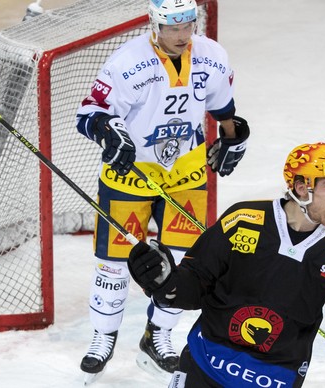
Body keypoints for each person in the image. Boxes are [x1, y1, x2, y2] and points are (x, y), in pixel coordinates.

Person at [128, 142, 325, 387]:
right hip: (205, 367)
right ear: (302, 188)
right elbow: (195, 281)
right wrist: (165, 281)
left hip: (274, 379)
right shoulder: (243, 220)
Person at [75, 0, 249, 380]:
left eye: (188, 25)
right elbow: (88, 114)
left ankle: (158, 337)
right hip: (131, 176)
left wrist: (235, 138)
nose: (182, 36)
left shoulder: (212, 57)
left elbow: (224, 111)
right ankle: (102, 338)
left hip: (185, 173)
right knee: (114, 263)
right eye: (173, 27)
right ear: (154, 24)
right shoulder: (126, 63)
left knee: (185, 262)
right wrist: (109, 132)